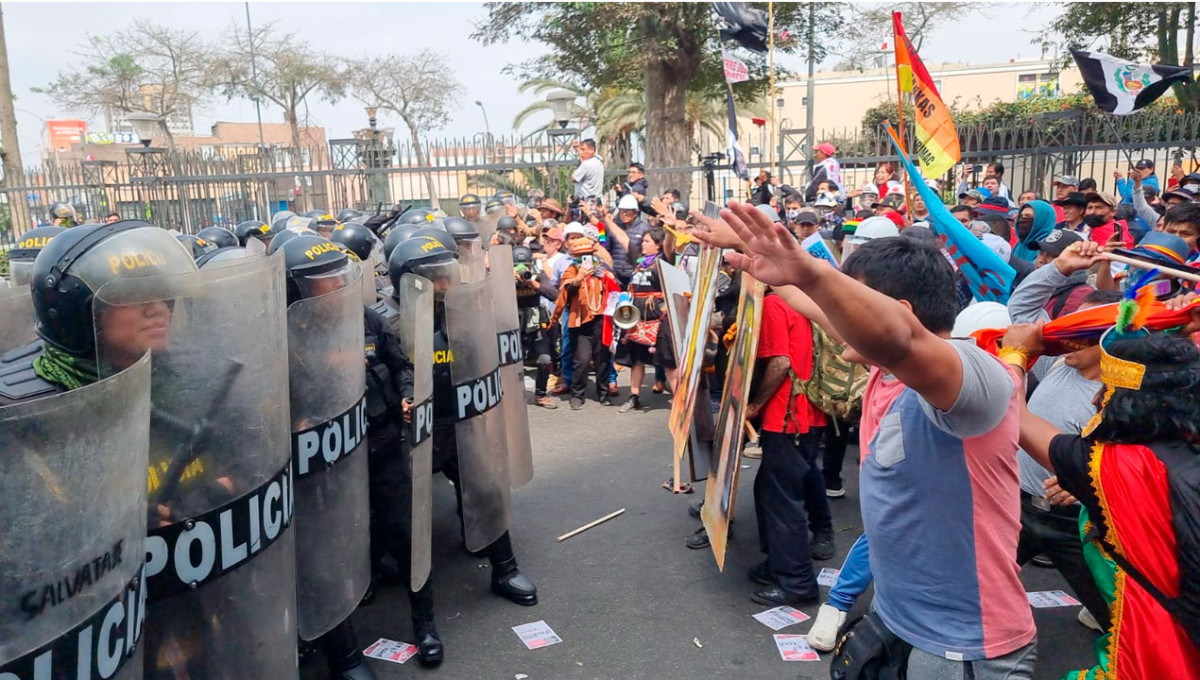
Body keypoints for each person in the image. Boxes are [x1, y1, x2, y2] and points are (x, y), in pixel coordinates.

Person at [693, 203, 1037, 678]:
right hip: (900, 624)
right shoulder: (884, 366)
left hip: (964, 648)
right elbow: (815, 305)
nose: (835, 313)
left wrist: (814, 272)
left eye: (853, 298)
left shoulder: (972, 377)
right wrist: (751, 250)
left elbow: (897, 337)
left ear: (899, 314)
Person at [1006, 296, 1200, 680]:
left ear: (1124, 400)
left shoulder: (1114, 467)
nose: (1097, 397)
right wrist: (1177, 325)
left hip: (1154, 655)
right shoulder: (1184, 444)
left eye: (1107, 390)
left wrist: (1014, 354)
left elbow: (1016, 413)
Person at [744, 284, 833, 605]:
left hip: (787, 416)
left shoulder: (774, 304)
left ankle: (796, 582)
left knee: (783, 500)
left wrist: (755, 405)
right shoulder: (803, 300)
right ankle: (779, 563)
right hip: (808, 414)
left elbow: (780, 362)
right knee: (774, 489)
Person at [549, 230, 620, 409]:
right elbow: (565, 291)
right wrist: (578, 278)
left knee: (602, 358)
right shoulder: (571, 270)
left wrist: (606, 278)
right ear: (574, 256)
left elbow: (615, 290)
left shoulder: (601, 268)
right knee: (581, 359)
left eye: (587, 255)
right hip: (580, 322)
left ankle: (603, 393)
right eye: (581, 256)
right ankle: (577, 394)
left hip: (600, 320)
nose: (585, 259)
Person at [615, 228, 666, 413]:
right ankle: (634, 396)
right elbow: (624, 240)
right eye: (643, 240)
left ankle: (681, 400)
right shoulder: (640, 263)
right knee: (636, 359)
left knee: (667, 360)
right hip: (636, 317)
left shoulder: (663, 261)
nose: (642, 244)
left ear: (658, 244)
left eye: (647, 241)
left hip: (656, 317)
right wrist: (605, 220)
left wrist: (669, 227)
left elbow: (670, 245)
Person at [512, 245, 559, 409]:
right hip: (511, 323)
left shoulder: (537, 275)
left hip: (534, 322)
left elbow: (554, 295)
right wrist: (507, 281)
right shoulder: (504, 277)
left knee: (545, 359)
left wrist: (533, 283)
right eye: (517, 265)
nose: (522, 269)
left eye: (526, 265)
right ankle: (508, 397)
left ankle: (540, 394)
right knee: (508, 363)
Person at [605, 194, 653, 285]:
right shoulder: (614, 228)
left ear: (635, 213)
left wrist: (639, 263)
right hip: (616, 275)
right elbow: (607, 248)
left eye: (627, 211)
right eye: (621, 211)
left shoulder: (645, 229)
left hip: (635, 274)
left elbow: (645, 256)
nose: (624, 214)